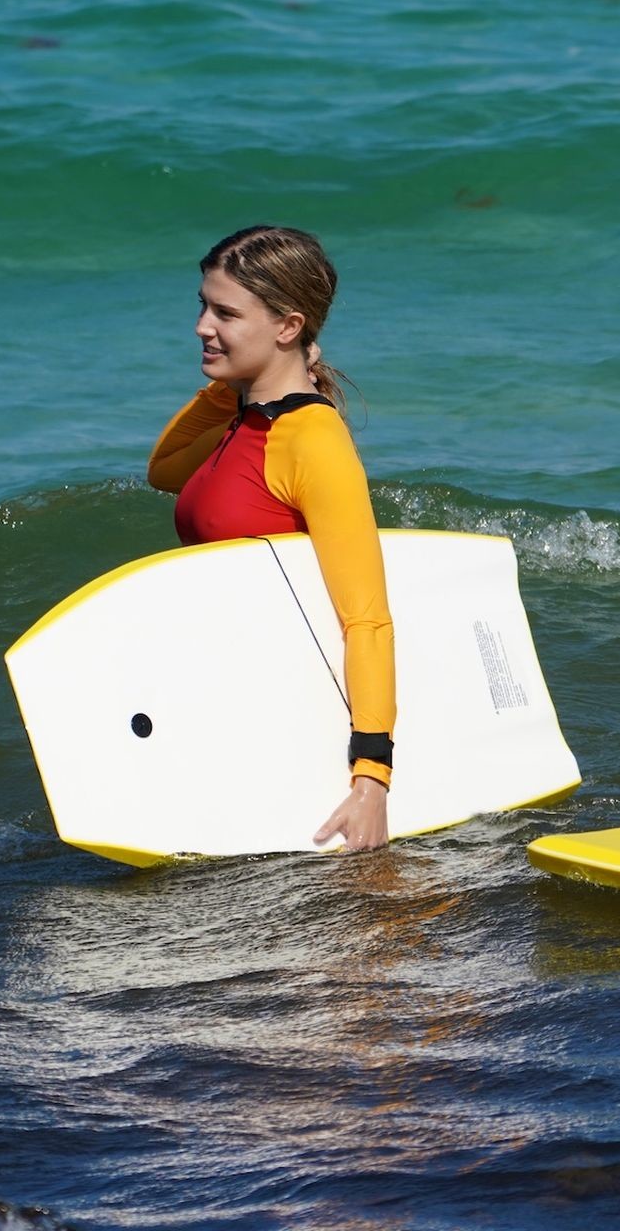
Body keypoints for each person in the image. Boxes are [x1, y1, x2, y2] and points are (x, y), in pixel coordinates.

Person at [147, 225, 395, 851]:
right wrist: (232, 385)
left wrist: (371, 778)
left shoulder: (313, 441)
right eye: (203, 307)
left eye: (226, 314)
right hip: (230, 690)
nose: (202, 326)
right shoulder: (246, 421)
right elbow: (165, 471)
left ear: (288, 326)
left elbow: (366, 618)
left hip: (284, 715)